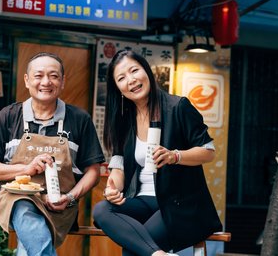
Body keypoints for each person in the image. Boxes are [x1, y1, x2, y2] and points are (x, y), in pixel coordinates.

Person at [92, 49, 222, 256]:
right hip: (142, 199)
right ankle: (158, 254)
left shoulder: (178, 107)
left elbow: (208, 152)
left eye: (134, 70)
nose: (131, 80)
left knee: (132, 251)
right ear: (118, 88)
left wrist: (175, 156)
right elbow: (118, 163)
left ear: (147, 70)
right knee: (101, 210)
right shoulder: (124, 119)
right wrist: (113, 188)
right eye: (122, 78)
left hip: (179, 202)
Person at [0, 52, 105, 256]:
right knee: (25, 209)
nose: (46, 82)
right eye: (38, 76)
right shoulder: (9, 116)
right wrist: (25, 169)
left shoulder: (79, 119)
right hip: (17, 199)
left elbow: (93, 171)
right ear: (27, 80)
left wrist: (70, 197)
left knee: (27, 247)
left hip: (60, 206)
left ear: (63, 82)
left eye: (54, 76)